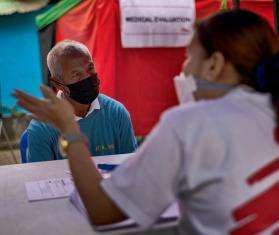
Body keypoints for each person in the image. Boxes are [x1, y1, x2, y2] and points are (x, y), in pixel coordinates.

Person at [14, 9, 279, 234]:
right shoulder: (268, 108)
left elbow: (103, 211)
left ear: (215, 64)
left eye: (189, 56)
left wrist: (69, 130)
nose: (184, 68)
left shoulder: (187, 124)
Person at [26, 40, 137, 162]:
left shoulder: (116, 113)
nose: (87, 77)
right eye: (76, 74)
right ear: (58, 84)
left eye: (90, 68)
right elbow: (41, 178)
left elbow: (131, 168)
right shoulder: (42, 126)